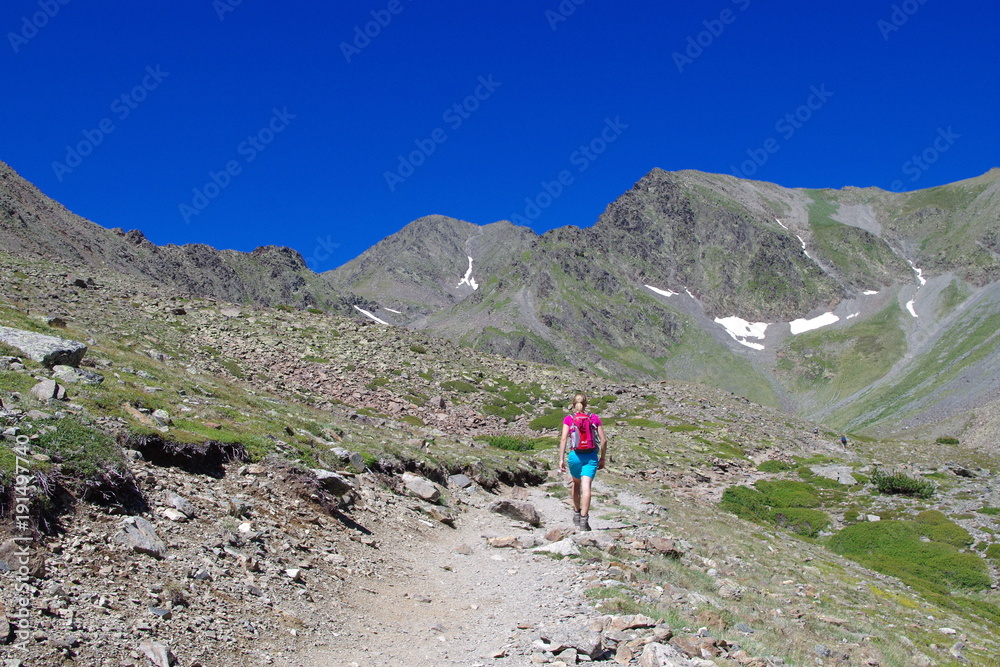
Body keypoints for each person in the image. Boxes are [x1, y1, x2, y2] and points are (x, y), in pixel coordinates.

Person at [557, 392, 607, 531]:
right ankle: (584, 521)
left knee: (576, 483)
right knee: (587, 487)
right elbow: (603, 440)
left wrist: (561, 459)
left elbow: (563, 439)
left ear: (573, 404)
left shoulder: (569, 419)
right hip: (591, 456)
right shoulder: (594, 418)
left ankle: (576, 513)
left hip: (575, 456)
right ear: (586, 404)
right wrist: (602, 458)